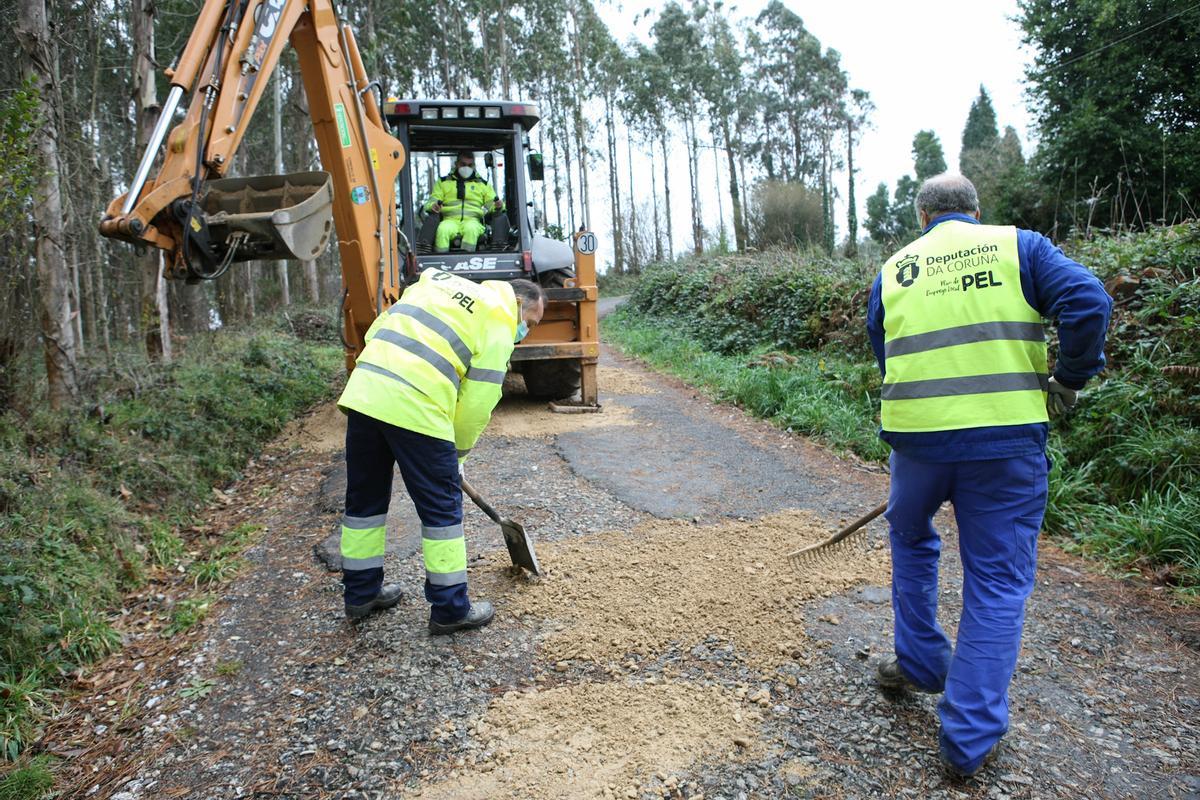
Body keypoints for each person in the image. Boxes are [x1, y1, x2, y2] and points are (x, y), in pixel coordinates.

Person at [865, 173, 1111, 777]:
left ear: (922, 216)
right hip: (1004, 444)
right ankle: (967, 743)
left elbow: (884, 344)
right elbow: (1088, 302)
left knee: (910, 538)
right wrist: (1069, 381)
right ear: (976, 211)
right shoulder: (1018, 247)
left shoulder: (895, 269)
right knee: (997, 582)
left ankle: (920, 663)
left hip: (917, 444)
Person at [335, 268, 545, 634]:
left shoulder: (437, 284)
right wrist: (456, 458)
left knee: (363, 503)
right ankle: (450, 610)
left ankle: (360, 594)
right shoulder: (498, 317)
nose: (525, 332)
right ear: (518, 303)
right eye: (529, 322)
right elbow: (477, 404)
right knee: (442, 511)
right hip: (417, 403)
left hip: (366, 392)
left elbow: (377, 330)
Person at [424, 151, 504, 254]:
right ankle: (440, 261)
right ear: (456, 164)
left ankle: (466, 259)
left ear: (474, 165)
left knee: (471, 229)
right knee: (442, 230)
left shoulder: (482, 184)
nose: (466, 167)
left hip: (473, 221)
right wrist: (432, 206)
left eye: (470, 165)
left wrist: (498, 206)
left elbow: (493, 204)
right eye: (463, 164)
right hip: (449, 220)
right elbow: (431, 202)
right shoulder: (443, 182)